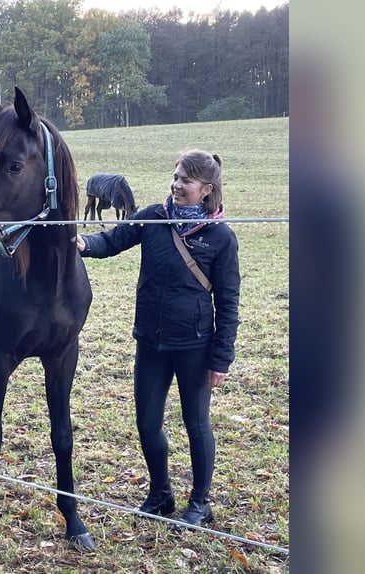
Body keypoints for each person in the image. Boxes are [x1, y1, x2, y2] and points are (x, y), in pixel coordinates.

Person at [77, 150, 240, 529]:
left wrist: (221, 358)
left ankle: (200, 503)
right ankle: (161, 493)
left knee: (195, 423)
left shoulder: (220, 237)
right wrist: (82, 244)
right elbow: (112, 240)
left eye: (186, 180)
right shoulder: (153, 216)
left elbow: (229, 301)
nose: (176, 184)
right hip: (150, 339)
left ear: (206, 190)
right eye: (176, 176)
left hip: (195, 345)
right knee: (148, 422)